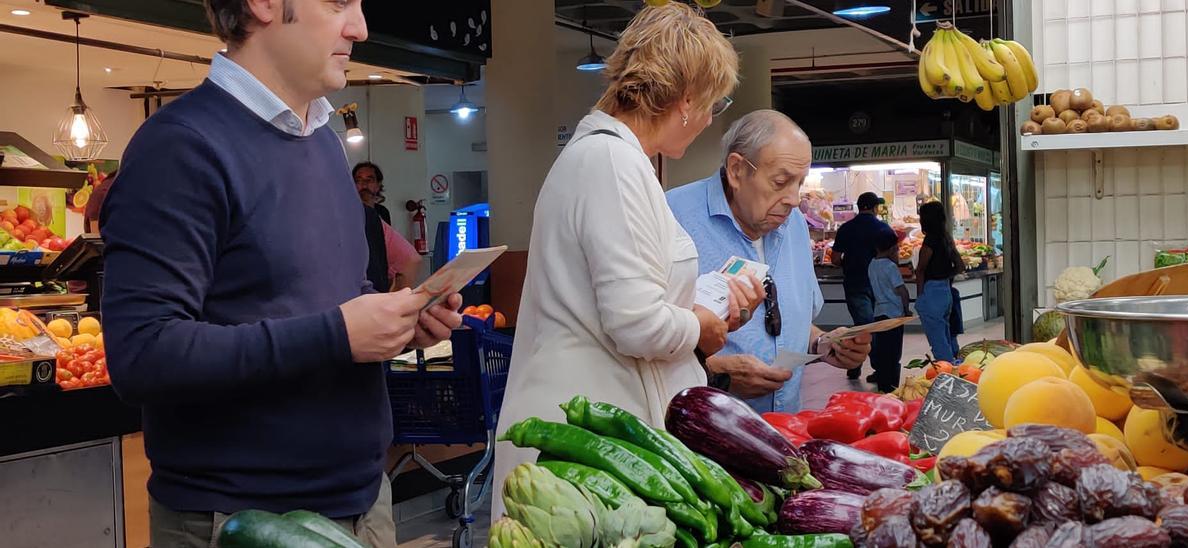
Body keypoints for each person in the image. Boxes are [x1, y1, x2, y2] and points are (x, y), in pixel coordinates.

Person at [99, 2, 463, 546]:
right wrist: (338, 334)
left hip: (365, 504)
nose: (360, 27)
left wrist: (400, 323)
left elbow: (333, 300)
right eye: (340, 2)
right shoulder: (180, 146)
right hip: (245, 522)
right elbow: (142, 354)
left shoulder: (322, 140)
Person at [493, 2, 753, 519]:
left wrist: (696, 298)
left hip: (595, 439)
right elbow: (634, 322)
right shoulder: (611, 163)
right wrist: (700, 324)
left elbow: (624, 294)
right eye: (713, 104)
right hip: (590, 446)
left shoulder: (612, 158)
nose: (707, 119)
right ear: (685, 98)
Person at [668, 110, 872, 413]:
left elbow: (790, 323)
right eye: (781, 181)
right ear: (737, 170)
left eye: (799, 183)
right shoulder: (671, 217)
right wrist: (716, 372)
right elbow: (639, 337)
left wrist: (824, 344)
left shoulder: (795, 226)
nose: (793, 198)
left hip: (784, 432)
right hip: (699, 438)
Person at [831, 191, 895, 380]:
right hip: (880, 285)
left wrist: (850, 264)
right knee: (876, 326)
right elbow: (894, 257)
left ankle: (855, 364)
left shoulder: (846, 228)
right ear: (876, 208)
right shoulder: (883, 228)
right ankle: (878, 368)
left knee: (862, 325)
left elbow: (835, 259)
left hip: (855, 282)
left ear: (859, 207)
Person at [353, 161, 421, 291]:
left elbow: (404, 255)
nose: (364, 184)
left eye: (369, 179)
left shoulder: (381, 213)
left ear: (378, 185)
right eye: (358, 180)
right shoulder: (349, 213)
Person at [915, 200, 964, 363]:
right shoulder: (946, 238)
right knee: (946, 332)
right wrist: (945, 275)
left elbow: (920, 269)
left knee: (937, 339)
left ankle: (947, 370)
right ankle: (954, 363)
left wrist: (920, 296)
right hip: (946, 291)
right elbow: (960, 266)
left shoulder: (930, 241)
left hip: (932, 292)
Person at [868, 230, 912, 393]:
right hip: (894, 314)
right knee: (893, 352)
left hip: (879, 312)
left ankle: (882, 382)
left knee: (881, 349)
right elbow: (901, 290)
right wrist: (906, 309)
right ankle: (892, 386)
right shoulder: (890, 266)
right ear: (892, 248)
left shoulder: (872, 265)